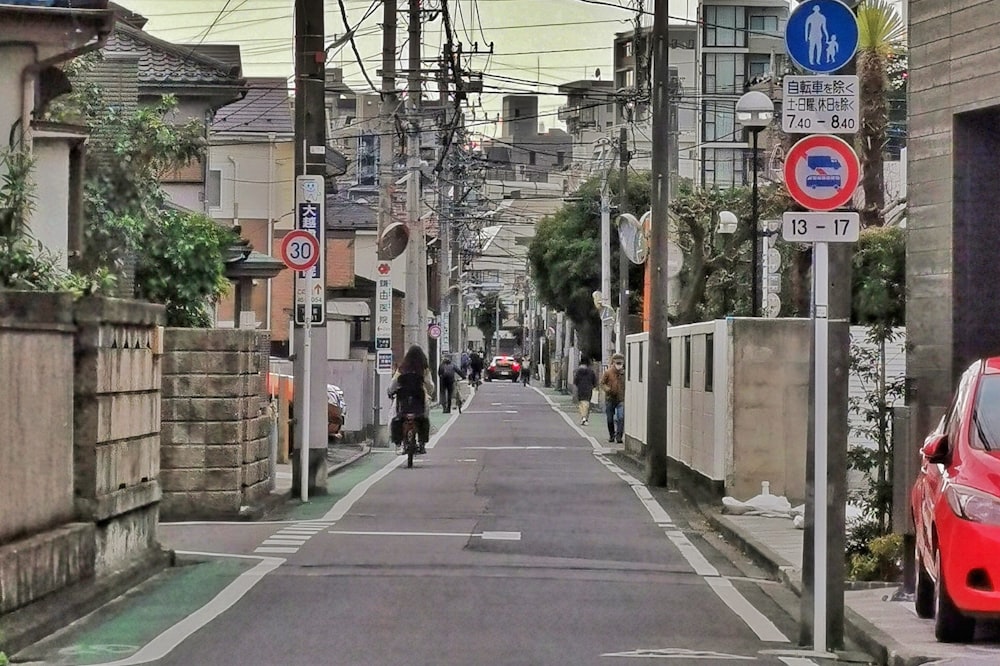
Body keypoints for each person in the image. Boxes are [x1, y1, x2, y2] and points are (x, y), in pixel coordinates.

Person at [387, 345, 435, 455]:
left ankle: (398, 443)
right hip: (420, 400)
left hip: (403, 401)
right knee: (425, 417)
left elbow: (393, 385)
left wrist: (390, 392)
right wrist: (429, 392)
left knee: (393, 416)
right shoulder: (424, 369)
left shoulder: (402, 368)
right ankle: (422, 443)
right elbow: (430, 385)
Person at [600, 353, 626, 443]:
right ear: (613, 363)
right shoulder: (608, 372)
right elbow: (602, 383)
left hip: (620, 398)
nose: (619, 365)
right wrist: (607, 389)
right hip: (610, 398)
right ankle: (612, 435)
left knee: (621, 417)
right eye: (617, 363)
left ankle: (619, 436)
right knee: (610, 419)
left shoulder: (624, 373)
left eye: (621, 363)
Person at [572, 356, 598, 426]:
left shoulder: (578, 372)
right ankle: (585, 418)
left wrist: (578, 385)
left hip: (580, 389)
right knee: (587, 404)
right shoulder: (591, 372)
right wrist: (594, 386)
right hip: (589, 389)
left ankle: (583, 417)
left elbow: (575, 381)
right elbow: (594, 381)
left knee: (581, 403)